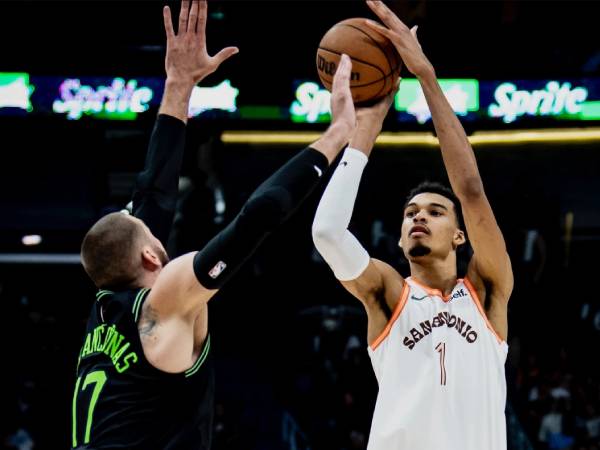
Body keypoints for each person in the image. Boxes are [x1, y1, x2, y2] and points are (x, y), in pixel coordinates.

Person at [71, 1, 357, 448]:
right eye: (146, 230)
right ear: (150, 254)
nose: (154, 224)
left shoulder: (106, 306)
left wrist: (179, 85)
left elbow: (153, 194)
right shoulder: (161, 303)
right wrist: (339, 132)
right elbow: (257, 217)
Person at [311, 1, 514, 449]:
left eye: (435, 212)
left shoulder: (486, 291)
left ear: (460, 236)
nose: (419, 215)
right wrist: (365, 128)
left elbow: (471, 191)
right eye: (410, 213)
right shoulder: (388, 292)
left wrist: (426, 77)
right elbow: (327, 233)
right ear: (401, 240)